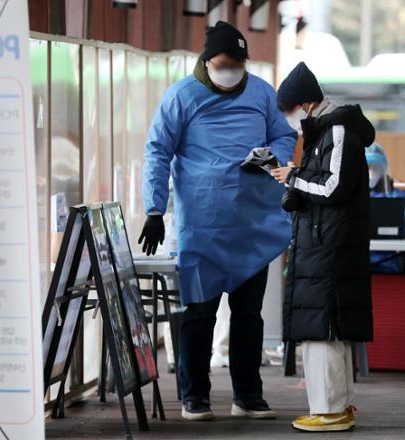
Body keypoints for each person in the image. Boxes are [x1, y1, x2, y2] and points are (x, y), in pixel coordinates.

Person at [140, 21, 296, 421]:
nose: (233, 71)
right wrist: (154, 209)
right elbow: (157, 150)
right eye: (226, 63)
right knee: (199, 313)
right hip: (203, 223)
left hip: (252, 223)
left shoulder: (262, 92)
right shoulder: (181, 96)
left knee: (248, 315)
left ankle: (248, 395)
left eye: (239, 63)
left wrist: (271, 153)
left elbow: (284, 135)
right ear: (208, 61)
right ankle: (195, 397)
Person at [270, 62, 375, 432]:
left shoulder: (339, 131)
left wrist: (294, 178)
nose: (287, 118)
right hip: (321, 245)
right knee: (326, 329)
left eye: (287, 110)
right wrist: (293, 186)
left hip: (331, 247)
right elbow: (319, 186)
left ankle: (329, 411)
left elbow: (334, 188)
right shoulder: (320, 133)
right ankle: (336, 405)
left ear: (306, 104)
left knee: (323, 330)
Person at [366, 143, 405, 273]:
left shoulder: (398, 197)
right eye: (367, 165)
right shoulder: (349, 197)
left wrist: (400, 225)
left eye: (375, 166)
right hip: (353, 264)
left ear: (383, 168)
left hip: (388, 263)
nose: (371, 170)